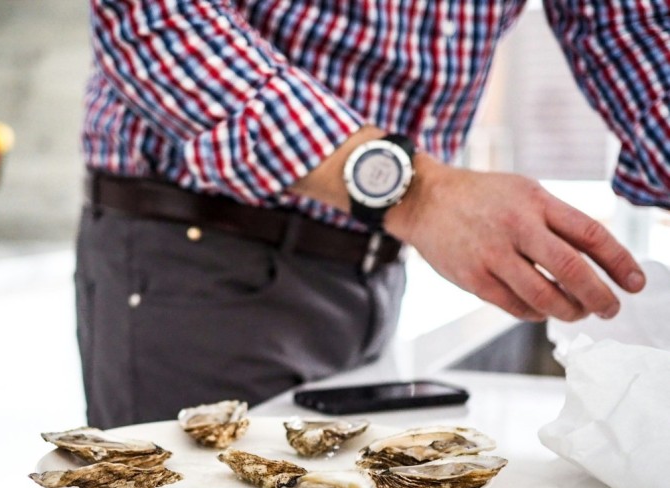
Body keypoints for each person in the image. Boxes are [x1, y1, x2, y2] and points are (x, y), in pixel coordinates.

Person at [76, 0, 666, 429]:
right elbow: (156, 20)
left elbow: (632, 31)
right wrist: (417, 193)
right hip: (199, 257)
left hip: (374, 269)